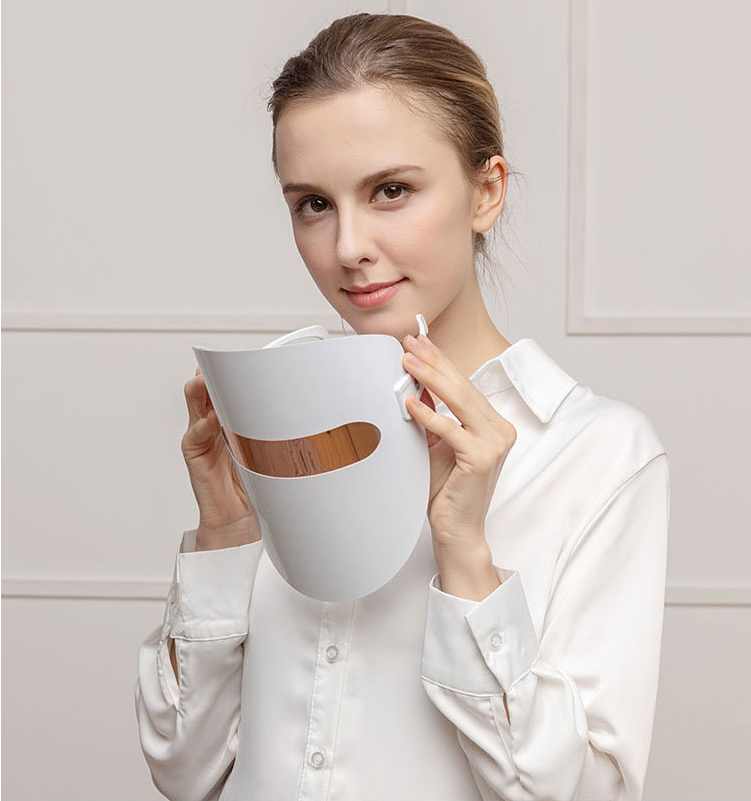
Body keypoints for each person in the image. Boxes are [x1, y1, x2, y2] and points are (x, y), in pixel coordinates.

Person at [134, 12, 670, 801]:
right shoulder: (269, 418)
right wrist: (224, 534)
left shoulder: (594, 453)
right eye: (312, 203)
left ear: (486, 191)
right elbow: (184, 771)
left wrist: (467, 559)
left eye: (390, 190)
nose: (347, 245)